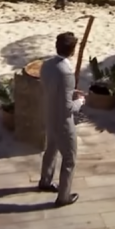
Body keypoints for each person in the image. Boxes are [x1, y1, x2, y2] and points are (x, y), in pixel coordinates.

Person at [37, 31, 83, 207]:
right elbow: (67, 108)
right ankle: (63, 196)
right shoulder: (66, 72)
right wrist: (79, 101)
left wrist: (70, 93)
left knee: (51, 149)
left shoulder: (46, 65)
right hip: (63, 121)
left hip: (49, 114)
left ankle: (45, 181)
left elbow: (52, 89)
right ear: (72, 50)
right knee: (69, 158)